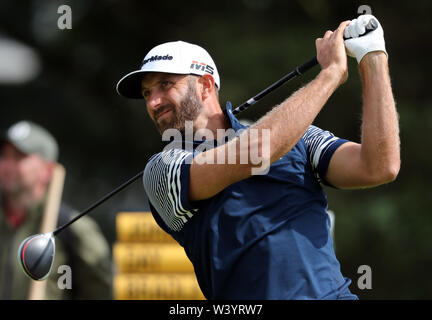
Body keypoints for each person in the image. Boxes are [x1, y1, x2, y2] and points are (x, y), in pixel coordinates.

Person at [116, 15, 400, 299]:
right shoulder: (162, 170)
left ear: (204, 86)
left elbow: (379, 166)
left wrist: (372, 56)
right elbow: (258, 152)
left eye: (166, 84)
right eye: (146, 93)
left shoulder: (297, 136)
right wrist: (330, 75)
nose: (153, 102)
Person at [0, 120, 113, 299]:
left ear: (47, 170)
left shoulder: (72, 229)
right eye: (3, 155)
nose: (7, 164)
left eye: (19, 157)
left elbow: (100, 294)